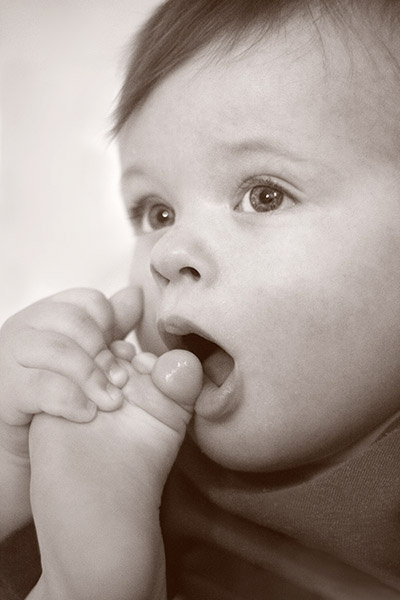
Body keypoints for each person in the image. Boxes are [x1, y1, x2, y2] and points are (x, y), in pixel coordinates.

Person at [1, 0, 400, 597]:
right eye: (156, 213)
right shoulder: (117, 454)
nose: (167, 254)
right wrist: (12, 471)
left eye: (264, 195)